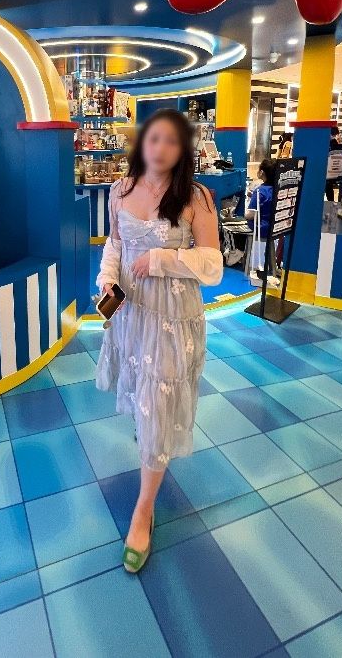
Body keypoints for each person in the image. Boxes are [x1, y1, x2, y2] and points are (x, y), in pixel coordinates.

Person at [96, 109, 223, 573]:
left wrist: (162, 259)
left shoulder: (196, 197)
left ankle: (143, 509)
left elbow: (213, 266)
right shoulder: (120, 189)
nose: (161, 148)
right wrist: (107, 278)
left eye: (172, 141)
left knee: (157, 409)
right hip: (131, 312)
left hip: (172, 316)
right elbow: (114, 244)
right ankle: (151, 442)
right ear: (142, 142)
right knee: (143, 396)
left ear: (183, 148)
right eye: (154, 138)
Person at [246, 158, 277, 281]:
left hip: (261, 228)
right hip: (274, 227)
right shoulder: (278, 188)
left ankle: (237, 255)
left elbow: (250, 215)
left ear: (262, 172)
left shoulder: (259, 191)